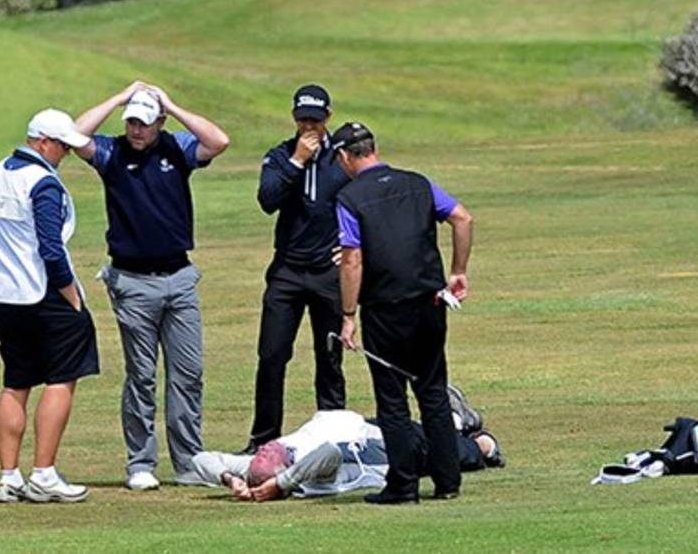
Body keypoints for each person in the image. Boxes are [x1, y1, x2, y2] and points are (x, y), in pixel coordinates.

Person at [73, 82, 230, 490]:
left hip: (179, 277)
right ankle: (140, 463)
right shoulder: (111, 152)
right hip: (131, 282)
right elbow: (74, 135)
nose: (136, 130)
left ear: (159, 122)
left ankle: (188, 462)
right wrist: (118, 97)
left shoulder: (177, 147)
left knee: (188, 374)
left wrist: (172, 105)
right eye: (131, 122)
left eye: (144, 123)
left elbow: (219, 141)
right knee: (141, 375)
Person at [332, 121, 475, 504]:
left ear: (345, 156)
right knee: (432, 390)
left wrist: (348, 315)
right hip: (430, 303)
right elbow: (463, 218)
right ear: (373, 148)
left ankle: (404, 485)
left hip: (385, 309)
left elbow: (352, 259)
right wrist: (458, 271)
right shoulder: (418, 183)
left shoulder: (349, 198)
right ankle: (447, 482)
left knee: (392, 399)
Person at [0, 109, 99, 503]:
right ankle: (44, 474)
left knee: (15, 382)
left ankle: (9, 477)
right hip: (43, 292)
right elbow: (51, 249)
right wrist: (72, 296)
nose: (66, 153)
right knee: (62, 377)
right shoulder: (43, 183)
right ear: (43, 142)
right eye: (62, 146)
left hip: (3, 295)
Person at [241, 84, 350, 454]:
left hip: (328, 272)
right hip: (287, 270)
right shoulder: (280, 155)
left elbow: (365, 203)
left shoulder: (342, 157)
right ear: (293, 118)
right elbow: (267, 200)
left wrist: (353, 248)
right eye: (303, 120)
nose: (309, 127)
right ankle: (263, 441)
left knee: (329, 356)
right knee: (272, 355)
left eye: (315, 121)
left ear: (328, 118)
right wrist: (297, 161)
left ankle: (332, 440)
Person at [190, 385, 503, 502]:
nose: (263, 449)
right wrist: (281, 485)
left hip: (363, 426)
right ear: (279, 472)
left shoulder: (259, 466)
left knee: (424, 426)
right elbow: (330, 453)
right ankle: (483, 442)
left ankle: (457, 420)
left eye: (261, 452)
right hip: (384, 451)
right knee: (450, 449)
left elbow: (199, 458)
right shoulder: (308, 478)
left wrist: (229, 478)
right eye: (266, 457)